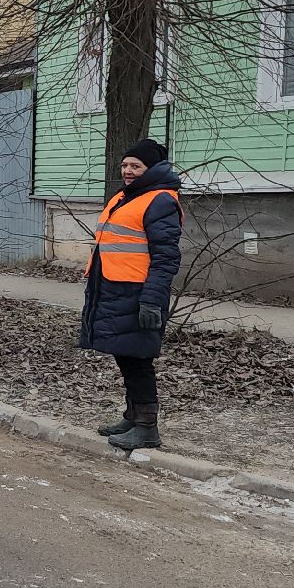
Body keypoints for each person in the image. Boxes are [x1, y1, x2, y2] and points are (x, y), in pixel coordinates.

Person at [80, 138, 182, 450]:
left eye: (135, 166)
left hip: (138, 293)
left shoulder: (160, 200)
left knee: (138, 360)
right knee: (125, 355)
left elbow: (166, 258)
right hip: (115, 290)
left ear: (150, 169)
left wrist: (151, 299)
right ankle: (133, 416)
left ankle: (147, 428)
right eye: (125, 165)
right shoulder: (128, 197)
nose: (127, 170)